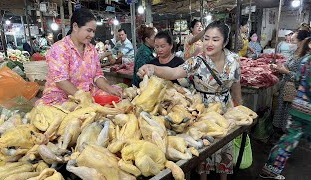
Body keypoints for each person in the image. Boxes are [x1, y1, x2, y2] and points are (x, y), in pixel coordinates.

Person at [138, 20, 242, 180]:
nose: (209, 43)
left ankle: (223, 177)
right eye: (206, 38)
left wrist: (239, 107)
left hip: (225, 107)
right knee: (203, 147)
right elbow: (173, 72)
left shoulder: (234, 59)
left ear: (225, 41)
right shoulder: (197, 61)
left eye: (215, 39)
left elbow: (236, 84)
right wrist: (153, 68)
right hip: (202, 109)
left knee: (225, 147)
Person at [37, 8, 121, 105]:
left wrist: (109, 89)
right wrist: (82, 98)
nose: (92, 35)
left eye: (93, 31)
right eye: (89, 30)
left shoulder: (91, 49)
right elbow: (61, 81)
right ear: (75, 26)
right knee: (62, 111)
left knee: (116, 97)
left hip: (88, 92)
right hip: (62, 95)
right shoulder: (59, 49)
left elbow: (98, 75)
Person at [260, 35, 311, 180]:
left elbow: (296, 80)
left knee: (286, 142)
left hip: (298, 107)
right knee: (288, 141)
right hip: (307, 112)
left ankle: (268, 171)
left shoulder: (306, 60)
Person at [271, 30, 311, 134]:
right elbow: (288, 65)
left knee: (287, 115)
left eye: (293, 40)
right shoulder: (296, 52)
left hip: (294, 90)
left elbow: (301, 78)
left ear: (303, 41)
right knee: (281, 111)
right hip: (285, 87)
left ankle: (286, 134)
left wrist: (286, 71)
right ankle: (279, 133)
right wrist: (279, 68)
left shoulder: (306, 58)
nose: (290, 42)